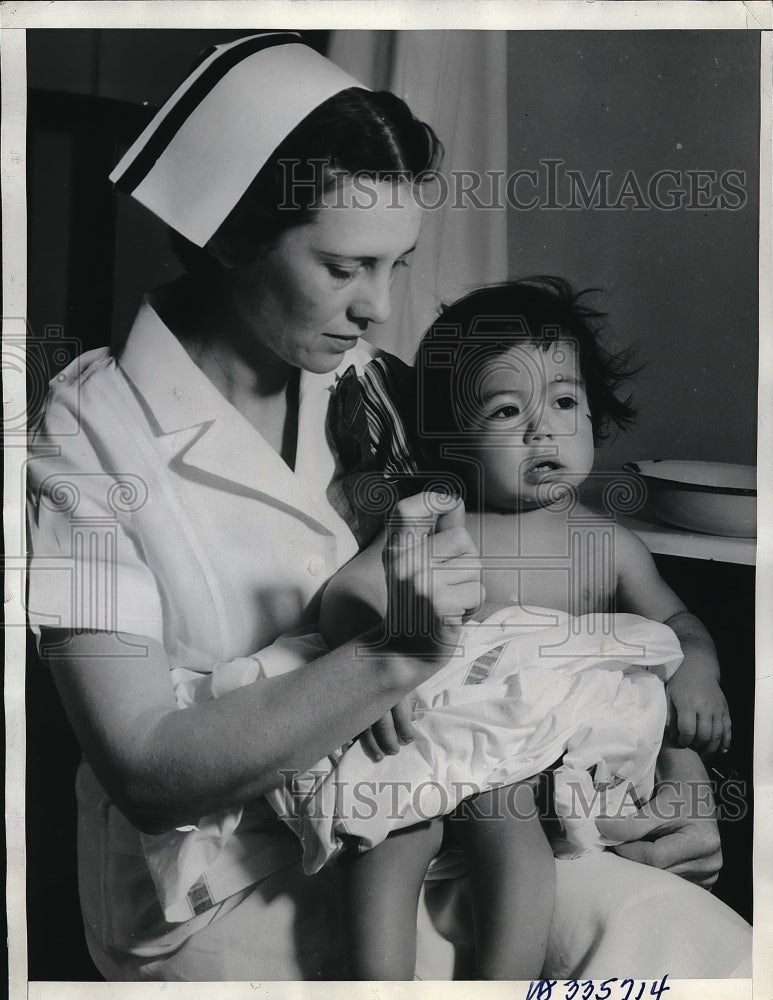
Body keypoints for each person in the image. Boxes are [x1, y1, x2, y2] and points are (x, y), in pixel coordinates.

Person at [25, 34, 749, 981]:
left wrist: (675, 772)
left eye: (395, 266)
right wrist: (390, 655)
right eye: (342, 268)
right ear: (229, 238)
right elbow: (146, 770)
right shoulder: (80, 443)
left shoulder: (380, 386)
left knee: (710, 957)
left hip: (452, 816)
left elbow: (545, 578)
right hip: (228, 886)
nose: (376, 307)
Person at [257, 277, 731, 980]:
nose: (543, 429)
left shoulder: (606, 542)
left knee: (504, 822)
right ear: (450, 436)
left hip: (529, 759)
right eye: (508, 411)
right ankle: (374, 984)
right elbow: (348, 593)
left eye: (564, 402)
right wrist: (378, 660)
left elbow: (673, 620)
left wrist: (697, 665)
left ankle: (501, 985)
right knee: (386, 826)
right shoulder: (440, 517)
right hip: (441, 722)